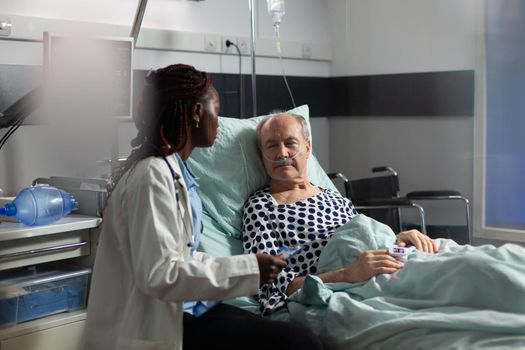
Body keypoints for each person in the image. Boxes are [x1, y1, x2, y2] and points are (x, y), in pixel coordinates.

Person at [84, 65, 323, 350]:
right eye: (216, 111)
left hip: (187, 308)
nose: (218, 122)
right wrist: (249, 270)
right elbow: (161, 274)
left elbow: (182, 257)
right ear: (197, 113)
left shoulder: (175, 173)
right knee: (299, 342)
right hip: (152, 323)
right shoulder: (152, 176)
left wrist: (249, 269)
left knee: (296, 335)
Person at [242, 112, 438, 315]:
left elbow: (363, 238)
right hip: (353, 285)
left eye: (290, 143)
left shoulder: (335, 198)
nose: (282, 154)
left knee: (458, 262)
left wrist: (399, 240)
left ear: (307, 147)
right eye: (272, 145)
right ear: (262, 154)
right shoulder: (261, 207)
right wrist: (347, 274)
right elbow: (270, 285)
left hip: (391, 260)